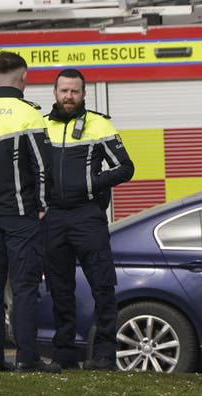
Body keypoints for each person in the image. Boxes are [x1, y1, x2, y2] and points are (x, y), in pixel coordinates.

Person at [0, 50, 59, 373]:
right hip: (21, 216)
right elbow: (42, 168)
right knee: (24, 287)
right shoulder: (29, 115)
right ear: (24, 77)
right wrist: (41, 207)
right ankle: (27, 358)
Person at [44, 68, 135, 370]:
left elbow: (125, 168)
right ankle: (64, 355)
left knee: (102, 287)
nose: (69, 96)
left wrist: (90, 184)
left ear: (84, 94)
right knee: (60, 290)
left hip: (88, 216)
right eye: (64, 91)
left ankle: (105, 355)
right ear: (55, 93)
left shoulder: (99, 124)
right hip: (54, 218)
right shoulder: (41, 126)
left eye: (75, 91)